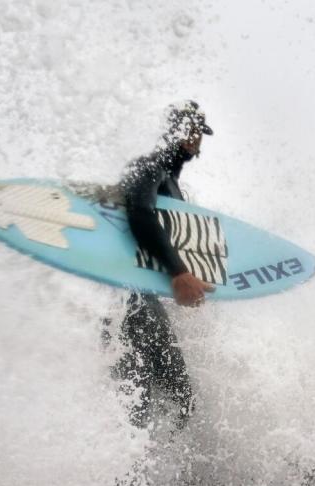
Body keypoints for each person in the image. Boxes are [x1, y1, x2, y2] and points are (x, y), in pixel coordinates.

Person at [111, 100, 216, 430]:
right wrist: (179, 273)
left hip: (139, 302)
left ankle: (150, 476)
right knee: (158, 401)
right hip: (131, 303)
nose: (198, 144)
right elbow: (138, 211)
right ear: (188, 135)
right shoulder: (150, 164)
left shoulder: (169, 181)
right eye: (198, 134)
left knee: (169, 401)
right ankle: (127, 478)